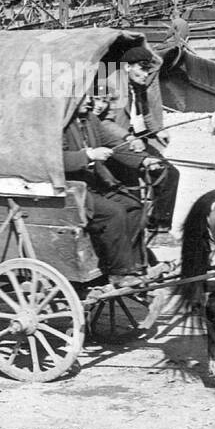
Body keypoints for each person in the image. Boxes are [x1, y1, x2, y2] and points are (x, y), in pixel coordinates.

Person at [63, 92, 148, 288]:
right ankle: (119, 273)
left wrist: (144, 159)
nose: (90, 101)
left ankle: (134, 265)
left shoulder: (91, 119)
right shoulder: (61, 125)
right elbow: (58, 159)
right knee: (114, 212)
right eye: (83, 97)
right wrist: (89, 154)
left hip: (95, 185)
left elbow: (115, 144)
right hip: (73, 191)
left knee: (134, 206)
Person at [107, 46, 180, 238]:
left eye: (148, 70)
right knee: (160, 173)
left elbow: (145, 111)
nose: (146, 74)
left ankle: (159, 226)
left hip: (133, 139)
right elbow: (102, 123)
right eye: (143, 68)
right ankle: (155, 228)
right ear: (127, 67)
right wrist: (127, 138)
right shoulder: (110, 83)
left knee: (171, 173)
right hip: (115, 144)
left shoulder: (137, 85)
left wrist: (158, 130)